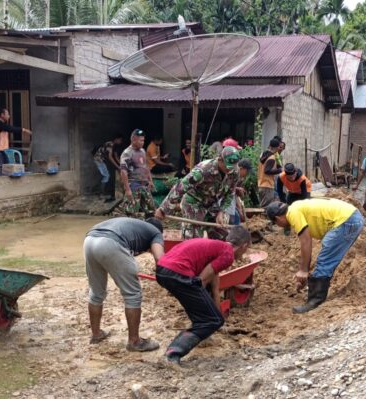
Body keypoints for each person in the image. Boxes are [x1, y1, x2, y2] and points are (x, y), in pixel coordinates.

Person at [156, 226, 251, 366]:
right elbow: (201, 281)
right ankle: (172, 355)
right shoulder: (228, 254)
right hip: (179, 272)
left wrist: (216, 309)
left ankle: (203, 335)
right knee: (213, 320)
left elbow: (214, 284)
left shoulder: (217, 247)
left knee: (210, 315)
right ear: (244, 246)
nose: (243, 255)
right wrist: (217, 318)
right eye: (246, 250)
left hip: (163, 270)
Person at [266, 198, 364, 314]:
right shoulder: (295, 206)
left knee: (325, 259)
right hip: (351, 217)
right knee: (327, 257)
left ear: (277, 219)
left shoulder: (292, 213)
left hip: (347, 220)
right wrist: (306, 271)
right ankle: (317, 289)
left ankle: (315, 300)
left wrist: (303, 270)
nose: (280, 226)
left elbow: (306, 241)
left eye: (277, 224)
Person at [85, 217, 164, 351]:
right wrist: (165, 278)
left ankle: (96, 334)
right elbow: (160, 259)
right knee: (133, 294)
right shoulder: (156, 233)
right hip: (111, 242)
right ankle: (134, 342)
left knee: (96, 292)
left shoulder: (134, 226)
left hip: (90, 240)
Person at [154, 147, 241, 238]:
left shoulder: (234, 171)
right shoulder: (203, 171)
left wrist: (222, 211)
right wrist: (163, 209)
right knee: (193, 239)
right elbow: (179, 188)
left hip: (212, 204)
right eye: (227, 167)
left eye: (232, 167)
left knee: (223, 234)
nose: (229, 170)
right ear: (220, 159)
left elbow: (230, 193)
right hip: (193, 202)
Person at [120, 129, 155, 218]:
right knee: (131, 213)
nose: (143, 142)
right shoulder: (127, 153)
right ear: (133, 140)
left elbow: (146, 166)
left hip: (144, 185)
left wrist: (150, 181)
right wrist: (127, 189)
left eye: (143, 140)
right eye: (141, 140)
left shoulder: (143, 151)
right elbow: (123, 172)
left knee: (151, 211)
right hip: (134, 186)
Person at [0, 108, 32, 176]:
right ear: (2, 115)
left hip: (3, 150)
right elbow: (9, 128)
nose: (9, 116)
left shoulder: (2, 124)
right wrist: (24, 130)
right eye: (7, 114)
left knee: (7, 169)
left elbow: (8, 128)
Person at [258, 138, 283, 207]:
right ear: (277, 147)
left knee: (263, 206)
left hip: (261, 184)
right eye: (280, 147)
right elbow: (267, 170)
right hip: (267, 185)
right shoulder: (272, 157)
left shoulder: (263, 154)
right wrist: (280, 170)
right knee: (266, 207)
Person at [228, 159, 253, 225]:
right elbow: (226, 189)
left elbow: (235, 195)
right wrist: (236, 188)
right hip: (224, 202)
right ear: (241, 168)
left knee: (236, 217)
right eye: (247, 171)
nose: (247, 174)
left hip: (230, 201)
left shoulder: (240, 178)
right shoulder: (232, 174)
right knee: (235, 218)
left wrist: (239, 208)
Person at [100, 136, 124, 202]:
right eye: (120, 140)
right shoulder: (110, 144)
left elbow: (116, 156)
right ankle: (106, 193)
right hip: (103, 161)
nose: (121, 142)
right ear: (117, 139)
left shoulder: (115, 145)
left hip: (106, 161)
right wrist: (117, 166)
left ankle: (110, 193)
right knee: (109, 177)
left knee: (111, 176)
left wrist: (121, 164)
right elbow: (110, 157)